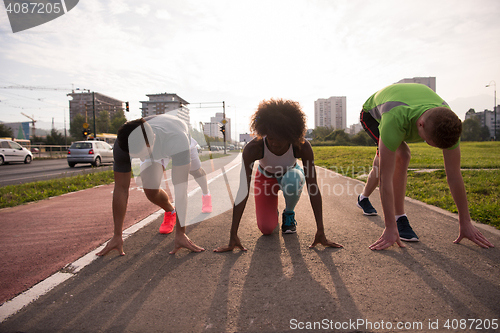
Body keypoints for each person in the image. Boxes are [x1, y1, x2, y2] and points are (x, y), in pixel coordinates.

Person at [357, 83, 494, 250]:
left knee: (382, 162)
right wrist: (390, 227)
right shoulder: (395, 118)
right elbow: (386, 179)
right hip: (372, 114)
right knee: (402, 155)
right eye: (430, 143)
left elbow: (454, 175)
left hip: (408, 108)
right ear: (420, 125)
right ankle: (400, 218)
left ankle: (363, 198)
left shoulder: (448, 122)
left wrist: (465, 222)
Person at [215, 98, 342, 252]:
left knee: (292, 179)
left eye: (281, 139)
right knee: (267, 229)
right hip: (265, 178)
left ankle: (289, 213)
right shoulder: (253, 148)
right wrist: (233, 234)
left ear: (291, 135)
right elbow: (243, 190)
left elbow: (312, 187)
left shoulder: (302, 147)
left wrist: (321, 230)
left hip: (291, 174)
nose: (275, 143)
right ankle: (271, 210)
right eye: (271, 138)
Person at [96, 114, 207, 256]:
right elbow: (121, 189)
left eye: (142, 154)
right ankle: (170, 211)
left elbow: (180, 188)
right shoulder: (121, 145)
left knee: (196, 171)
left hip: (176, 139)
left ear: (152, 140)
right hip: (157, 143)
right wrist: (117, 235)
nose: (141, 159)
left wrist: (181, 233)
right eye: (136, 156)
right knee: (150, 189)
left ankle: (206, 193)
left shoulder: (178, 140)